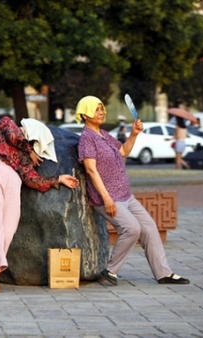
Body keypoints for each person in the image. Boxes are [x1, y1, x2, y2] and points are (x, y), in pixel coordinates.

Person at [75, 95, 189, 286]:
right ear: (85, 115)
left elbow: (123, 151)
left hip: (126, 195)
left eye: (102, 108)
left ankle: (163, 273)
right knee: (132, 228)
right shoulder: (87, 139)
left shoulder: (104, 134)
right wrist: (107, 199)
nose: (102, 112)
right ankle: (110, 270)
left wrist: (134, 134)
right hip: (107, 198)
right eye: (97, 109)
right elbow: (91, 170)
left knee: (150, 228)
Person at [0, 117, 79, 293]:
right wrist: (29, 150)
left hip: (14, 179)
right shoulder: (6, 125)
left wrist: (58, 179)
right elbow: (14, 135)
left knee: (8, 228)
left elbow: (33, 179)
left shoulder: (26, 158)